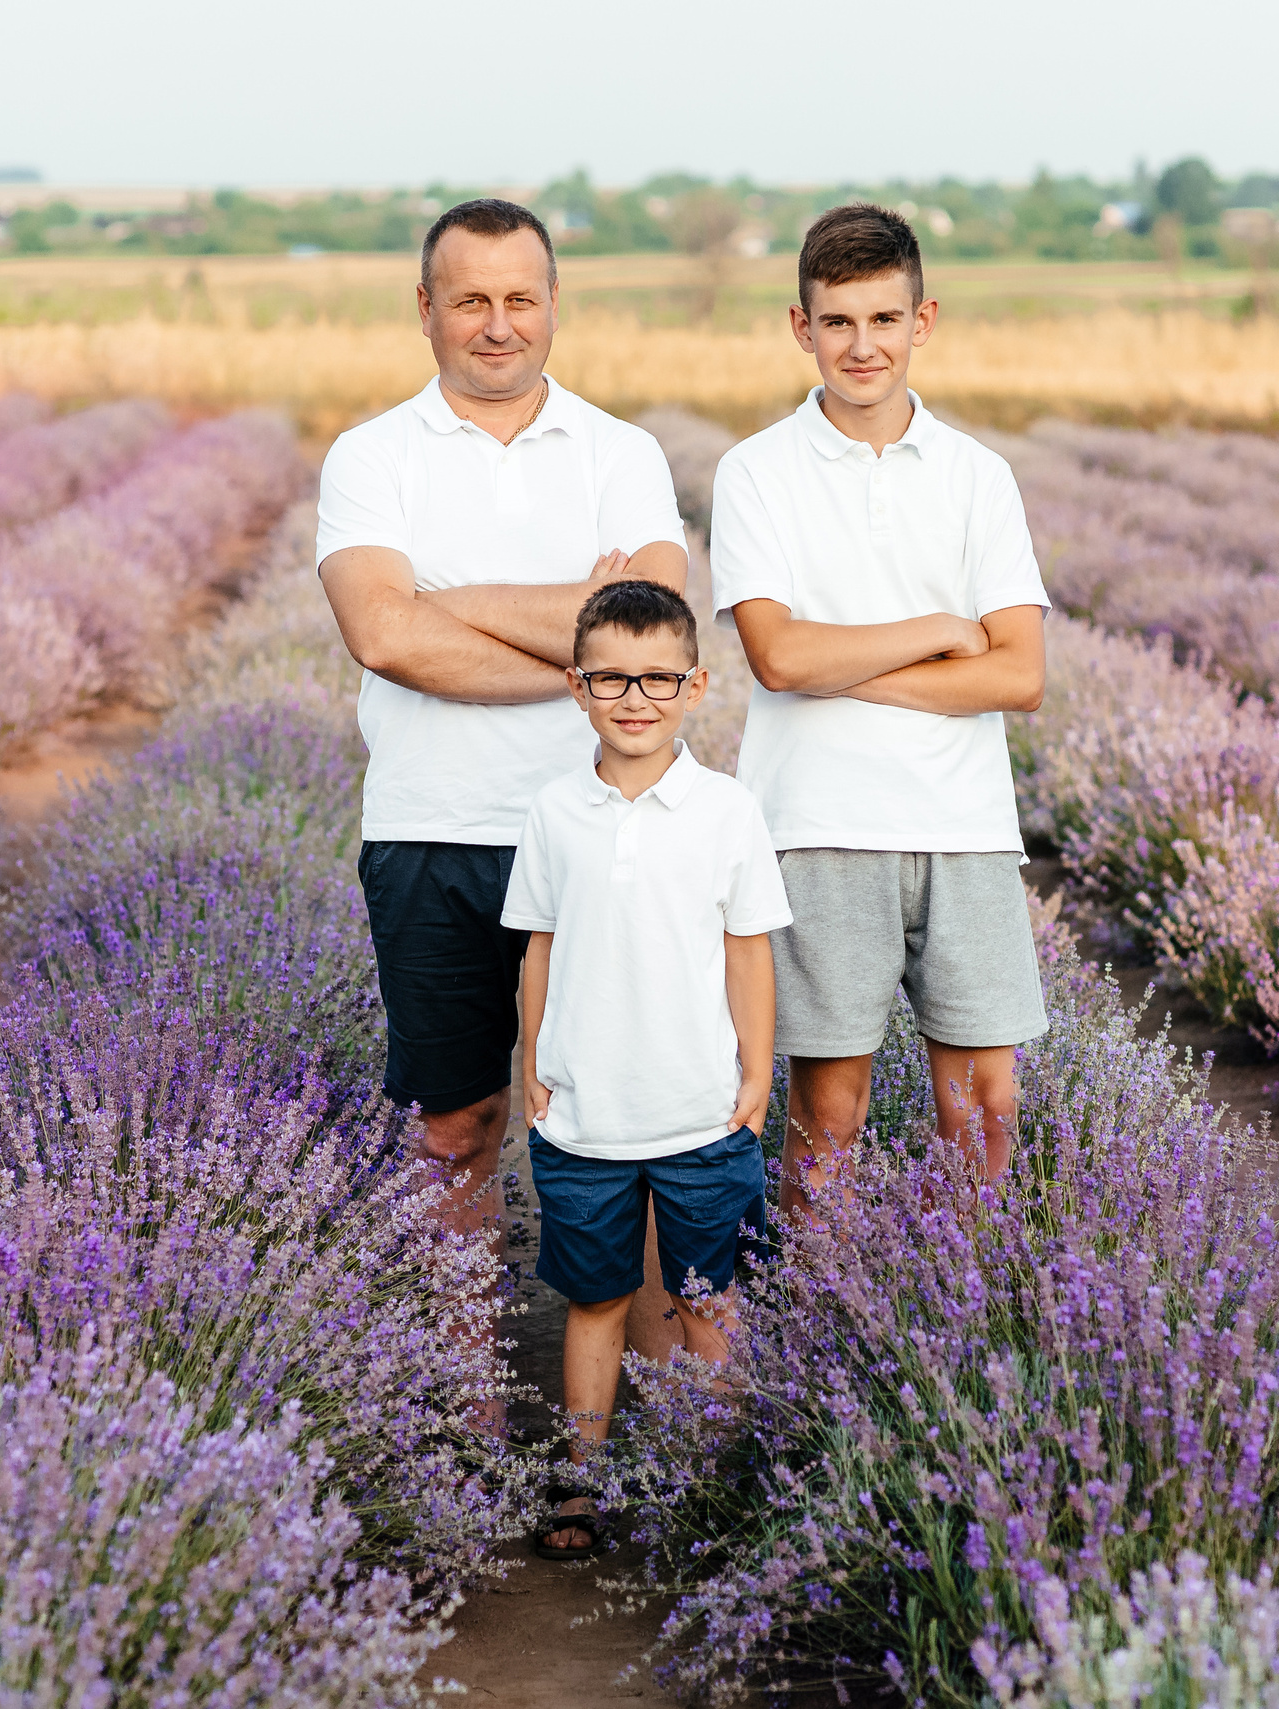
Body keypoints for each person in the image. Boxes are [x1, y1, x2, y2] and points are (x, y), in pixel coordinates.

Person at [316, 200, 690, 1264]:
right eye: (470, 299)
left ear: (554, 305)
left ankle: (629, 1400)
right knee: (455, 1128)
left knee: (631, 1119)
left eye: (520, 298)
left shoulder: (620, 451)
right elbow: (385, 635)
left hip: (605, 830)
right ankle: (469, 1405)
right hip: (433, 832)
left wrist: (451, 596)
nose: (497, 324)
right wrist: (585, 630)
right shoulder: (369, 455)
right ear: (424, 309)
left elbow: (653, 631)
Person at [708, 203, 1049, 1215]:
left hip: (964, 828)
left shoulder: (978, 476)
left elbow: (1017, 675)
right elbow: (776, 656)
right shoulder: (754, 471)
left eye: (884, 320)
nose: (863, 346)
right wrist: (941, 626)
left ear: (923, 319)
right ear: (799, 325)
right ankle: (820, 1339)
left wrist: (840, 665)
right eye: (839, 322)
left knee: (986, 1113)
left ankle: (969, 1319)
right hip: (815, 826)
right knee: (830, 1116)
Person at [501, 579, 787, 1557]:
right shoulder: (552, 811)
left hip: (701, 1105)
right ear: (575, 686)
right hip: (585, 1110)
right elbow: (537, 945)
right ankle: (579, 1481)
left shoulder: (725, 809)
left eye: (658, 677)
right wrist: (531, 1062)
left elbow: (748, 949)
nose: (635, 696)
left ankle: (711, 1483)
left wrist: (756, 1074)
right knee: (595, 1299)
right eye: (611, 677)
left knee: (710, 1301)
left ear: (696, 684)